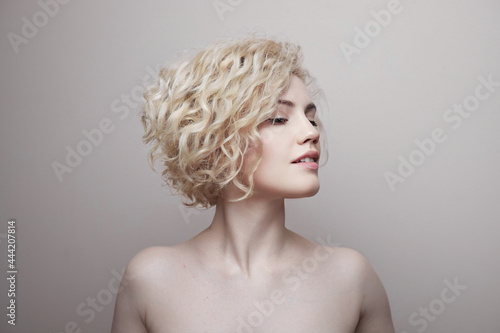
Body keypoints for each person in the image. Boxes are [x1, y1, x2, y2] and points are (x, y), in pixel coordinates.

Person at [111, 35, 395, 333]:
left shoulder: (350, 278)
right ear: (216, 139)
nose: (311, 132)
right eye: (278, 118)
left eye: (311, 118)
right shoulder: (150, 280)